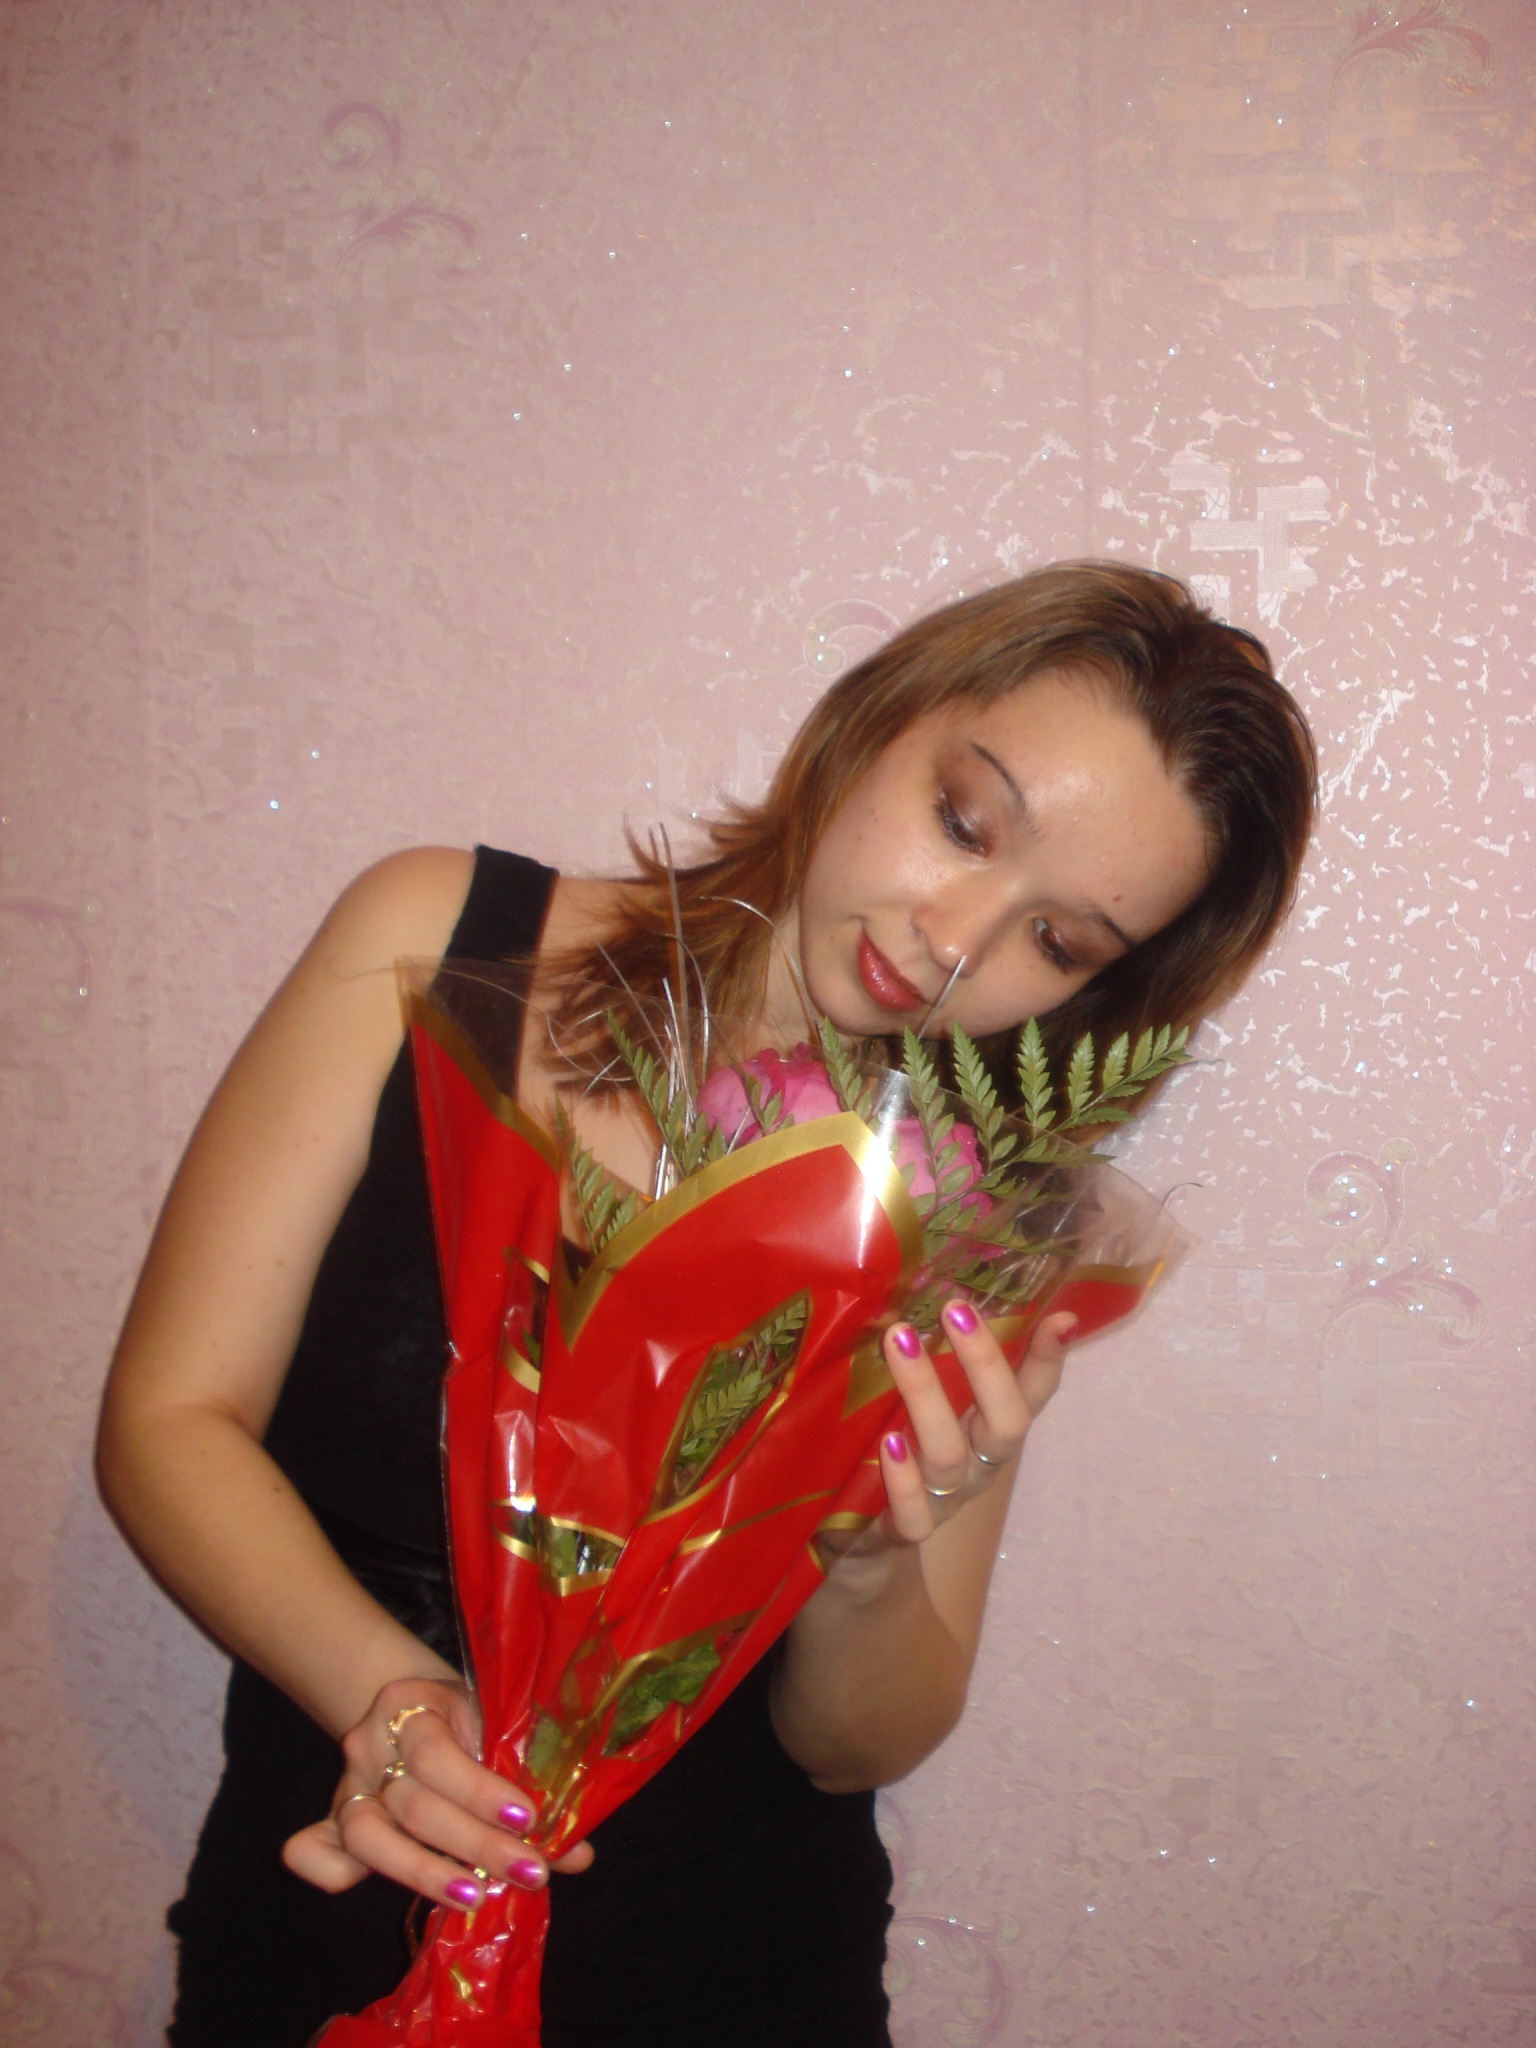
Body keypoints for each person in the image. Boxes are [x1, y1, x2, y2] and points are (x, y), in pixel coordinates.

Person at [98, 562, 1316, 2048]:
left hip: (737, 1975)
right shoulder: (446, 944)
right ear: (879, 716)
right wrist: (389, 1695)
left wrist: (874, 1558)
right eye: (963, 820)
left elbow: (857, 1744)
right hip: (333, 1911)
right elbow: (169, 1420)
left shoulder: (971, 1207)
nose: (958, 938)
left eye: (1059, 942)